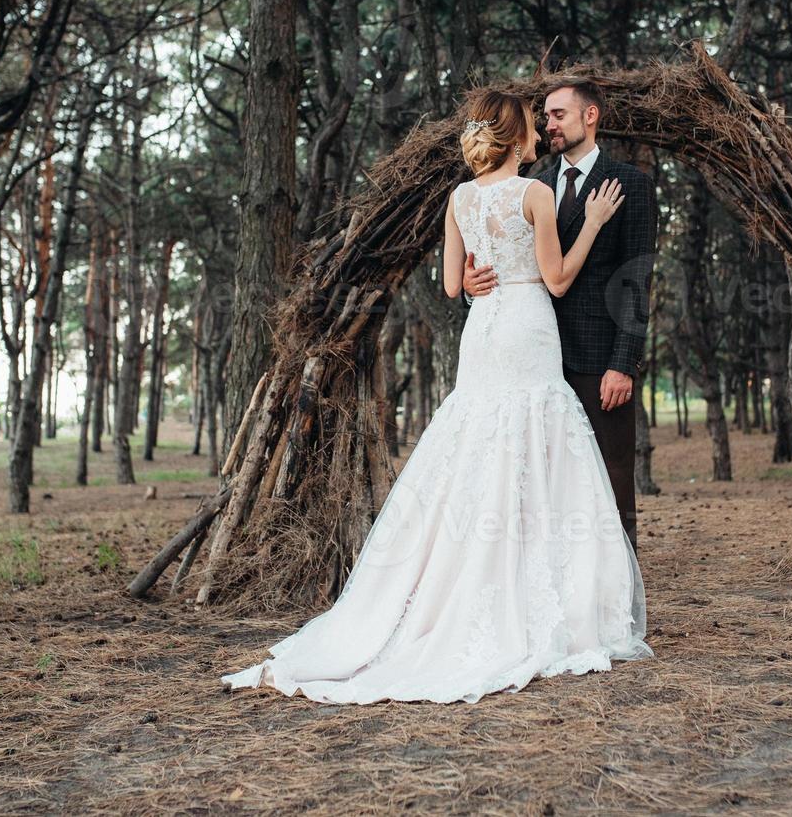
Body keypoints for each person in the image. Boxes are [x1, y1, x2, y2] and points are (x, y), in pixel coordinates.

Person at [219, 88, 653, 705]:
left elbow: (453, 285)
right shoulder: (536, 192)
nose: (540, 130)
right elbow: (556, 281)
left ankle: (450, 584)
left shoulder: (458, 198)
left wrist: (479, 281)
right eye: (534, 123)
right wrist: (595, 226)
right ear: (517, 136)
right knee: (531, 443)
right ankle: (538, 590)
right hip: (528, 328)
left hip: (484, 335)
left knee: (476, 445)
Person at [464, 80, 656, 554]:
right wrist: (472, 286)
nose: (548, 124)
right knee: (545, 487)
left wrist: (623, 361)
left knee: (609, 482)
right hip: (535, 360)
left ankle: (616, 599)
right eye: (544, 117)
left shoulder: (630, 184)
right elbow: (502, 266)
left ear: (590, 116)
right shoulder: (532, 186)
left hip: (598, 361)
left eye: (557, 115)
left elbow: (636, 281)